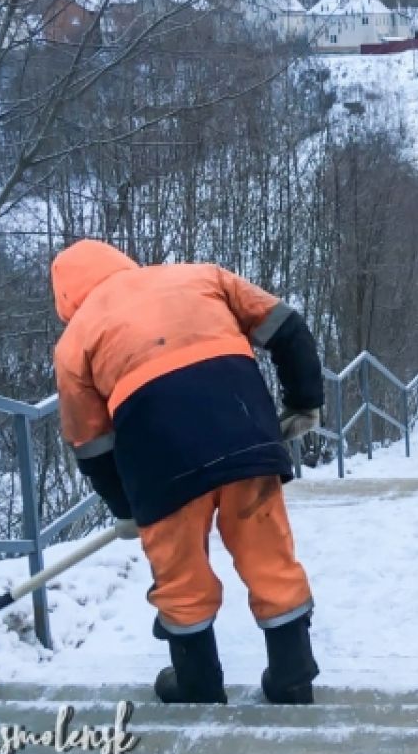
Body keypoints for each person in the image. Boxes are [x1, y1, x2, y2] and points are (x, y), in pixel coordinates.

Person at [51, 239, 323, 706]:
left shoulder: (74, 342)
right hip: (244, 434)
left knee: (181, 576)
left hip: (159, 463)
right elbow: (287, 327)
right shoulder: (200, 276)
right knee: (268, 555)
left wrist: (127, 507)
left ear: (66, 300)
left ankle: (197, 683)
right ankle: (292, 674)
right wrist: (304, 401)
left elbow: (92, 445)